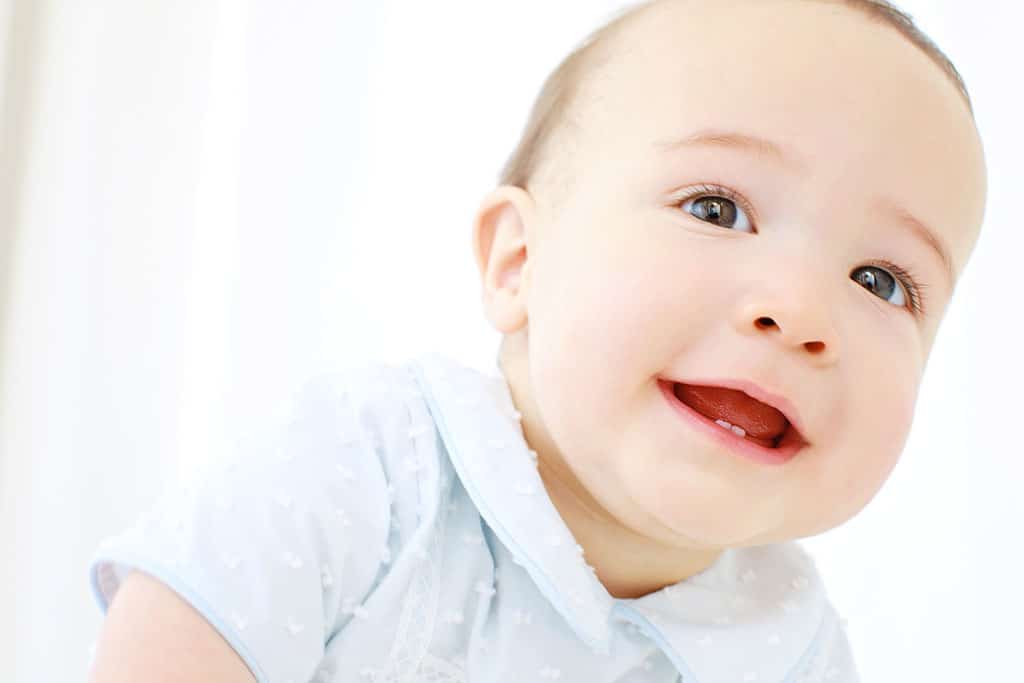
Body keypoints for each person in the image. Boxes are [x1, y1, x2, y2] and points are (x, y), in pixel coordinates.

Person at [86, 0, 988, 681]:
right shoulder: (375, 469)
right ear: (520, 262)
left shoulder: (793, 640)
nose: (799, 310)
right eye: (717, 209)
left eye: (883, 281)